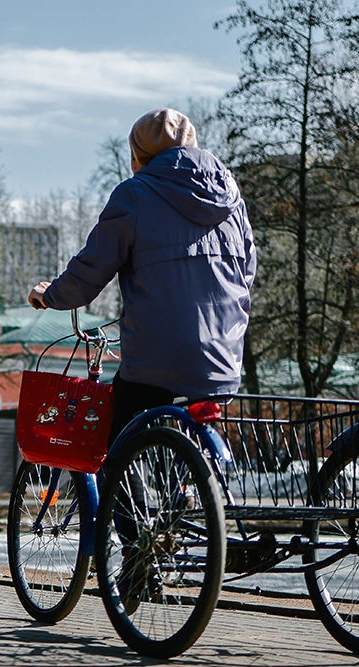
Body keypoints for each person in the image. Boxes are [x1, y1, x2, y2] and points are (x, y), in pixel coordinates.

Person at [28, 108, 256, 441]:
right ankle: (189, 491)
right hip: (223, 361)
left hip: (156, 363)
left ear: (139, 155)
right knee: (188, 448)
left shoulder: (135, 195)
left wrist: (50, 295)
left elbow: (91, 270)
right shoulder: (232, 200)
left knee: (109, 436)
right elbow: (246, 272)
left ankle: (123, 491)